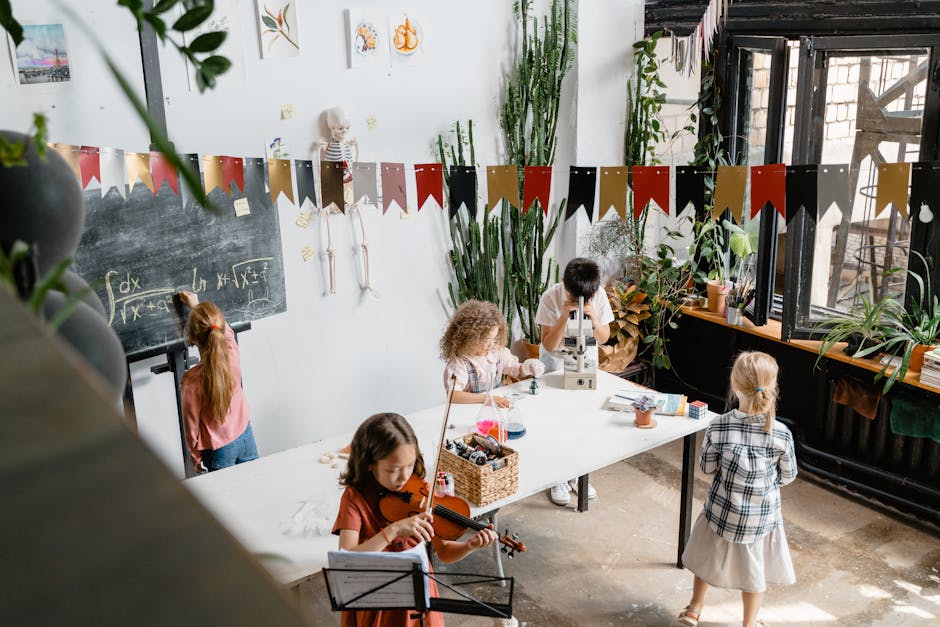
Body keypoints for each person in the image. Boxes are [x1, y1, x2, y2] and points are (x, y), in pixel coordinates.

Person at [333, 412, 500, 627]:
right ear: (369, 464)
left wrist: (469, 545)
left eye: (410, 465)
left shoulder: (419, 491)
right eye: (393, 470)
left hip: (418, 595)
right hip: (377, 601)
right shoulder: (354, 499)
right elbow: (347, 560)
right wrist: (392, 531)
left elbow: (445, 552)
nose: (404, 477)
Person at [677, 351, 797, 627]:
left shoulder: (718, 426)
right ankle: (748, 624)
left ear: (734, 386)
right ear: (772, 387)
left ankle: (694, 609)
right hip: (760, 519)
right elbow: (788, 476)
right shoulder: (781, 433)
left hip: (721, 512)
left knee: (708, 557)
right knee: (755, 572)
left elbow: (707, 468)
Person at [535, 257, 613, 506]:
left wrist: (593, 317)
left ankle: (579, 474)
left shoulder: (597, 295)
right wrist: (564, 315)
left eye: (586, 297)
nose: (581, 299)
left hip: (584, 361)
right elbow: (547, 343)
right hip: (556, 364)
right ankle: (556, 477)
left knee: (583, 420)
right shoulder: (550, 297)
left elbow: (604, 337)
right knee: (556, 421)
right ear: (564, 285)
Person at [179, 291, 258, 473]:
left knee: (228, 497)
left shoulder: (191, 382)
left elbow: (191, 426)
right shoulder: (232, 354)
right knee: (256, 486)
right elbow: (225, 331)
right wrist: (196, 305)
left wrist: (195, 456)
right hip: (246, 435)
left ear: (192, 338)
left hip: (218, 450)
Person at [440, 299, 544, 406]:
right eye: (485, 340)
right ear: (468, 338)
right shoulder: (460, 363)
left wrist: (527, 366)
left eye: (493, 338)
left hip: (495, 407)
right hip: (472, 411)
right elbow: (453, 395)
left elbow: (515, 369)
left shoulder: (496, 352)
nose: (490, 345)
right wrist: (488, 398)